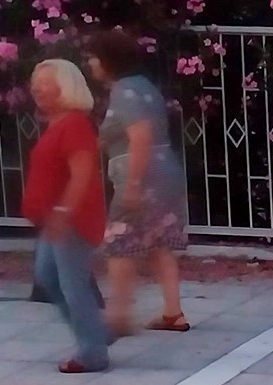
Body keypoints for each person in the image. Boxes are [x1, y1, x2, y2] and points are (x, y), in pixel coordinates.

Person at [86, 29, 190, 337]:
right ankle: (173, 312)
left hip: (143, 177)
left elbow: (140, 135)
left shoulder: (124, 92)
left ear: (108, 60)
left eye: (93, 58)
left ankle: (119, 314)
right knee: (158, 242)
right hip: (166, 173)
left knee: (120, 243)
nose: (91, 64)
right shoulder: (146, 87)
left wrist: (132, 184)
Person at [20, 59, 110, 374]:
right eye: (36, 81)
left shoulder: (74, 125)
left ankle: (92, 351)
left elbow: (82, 174)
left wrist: (63, 211)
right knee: (49, 278)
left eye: (44, 82)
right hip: (55, 219)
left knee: (71, 285)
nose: (36, 88)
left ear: (65, 86)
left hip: (70, 218)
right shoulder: (58, 124)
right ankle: (95, 333)